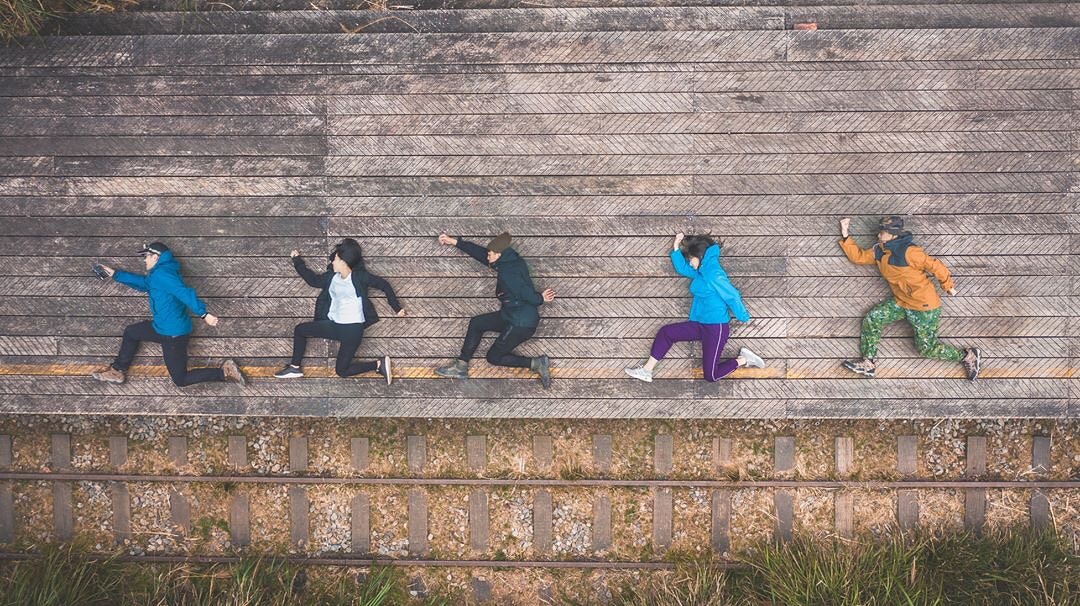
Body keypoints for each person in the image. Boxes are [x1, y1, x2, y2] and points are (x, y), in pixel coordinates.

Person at [838, 216, 981, 380]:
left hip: (924, 307)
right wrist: (845, 234)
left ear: (894, 234)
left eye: (883, 232)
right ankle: (868, 363)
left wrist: (948, 286)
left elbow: (935, 266)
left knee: (925, 349)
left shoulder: (910, 252)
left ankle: (968, 356)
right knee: (873, 317)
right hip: (901, 302)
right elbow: (859, 257)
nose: (878, 235)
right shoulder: (880, 251)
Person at [90, 242, 246, 387]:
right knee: (132, 332)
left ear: (155, 257)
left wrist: (204, 314)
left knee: (180, 379)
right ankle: (117, 370)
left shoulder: (163, 275)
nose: (144, 261)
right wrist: (115, 274)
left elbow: (183, 292)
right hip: (162, 328)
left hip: (173, 335)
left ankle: (223, 372)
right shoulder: (160, 274)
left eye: (146, 257)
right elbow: (145, 284)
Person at [625, 233, 764, 383]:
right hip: (699, 324)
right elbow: (683, 269)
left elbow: (732, 296)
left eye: (691, 258)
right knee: (667, 333)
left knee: (710, 376)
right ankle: (647, 370)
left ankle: (742, 360)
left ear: (699, 255)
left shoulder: (713, 274)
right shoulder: (701, 271)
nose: (690, 263)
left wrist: (743, 316)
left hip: (715, 328)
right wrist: (676, 248)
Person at [434, 232, 555, 388]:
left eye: (490, 254)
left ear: (498, 255)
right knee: (477, 323)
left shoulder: (508, 273)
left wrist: (539, 299)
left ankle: (536, 363)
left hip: (521, 324)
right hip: (511, 314)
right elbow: (481, 254)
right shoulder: (509, 261)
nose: (487, 256)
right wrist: (455, 242)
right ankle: (461, 365)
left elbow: (526, 293)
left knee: (493, 357)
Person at [274, 239, 404, 384]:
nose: (332, 262)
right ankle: (378, 365)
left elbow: (384, 285)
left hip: (350, 330)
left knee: (301, 331)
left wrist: (396, 307)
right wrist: (297, 261)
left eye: (335, 259)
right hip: (342, 328)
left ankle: (294, 367)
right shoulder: (331, 278)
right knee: (340, 370)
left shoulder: (359, 277)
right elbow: (312, 280)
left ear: (343, 261)